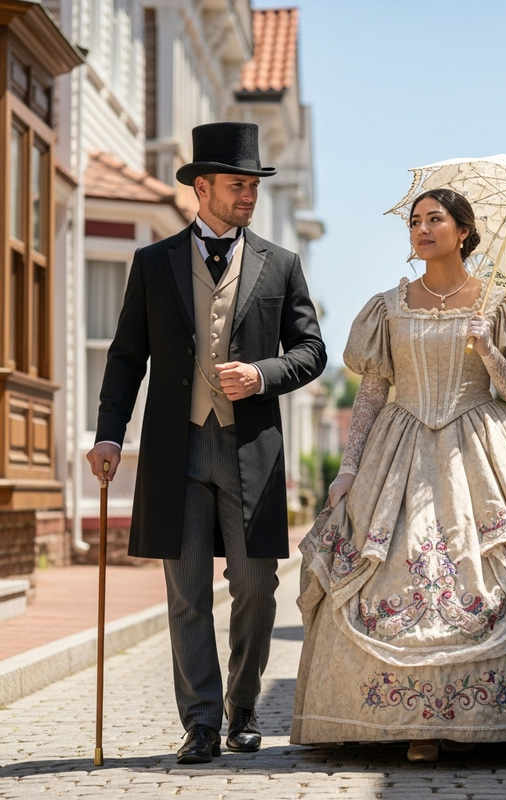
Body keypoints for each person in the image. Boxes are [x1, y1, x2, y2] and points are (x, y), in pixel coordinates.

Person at [291, 188, 506, 762]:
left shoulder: (499, 305)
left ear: (463, 231)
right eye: (416, 221)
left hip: (484, 448)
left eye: (436, 220)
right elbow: (373, 392)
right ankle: (413, 724)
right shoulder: (387, 305)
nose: (422, 230)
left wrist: (490, 350)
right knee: (395, 574)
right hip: (398, 454)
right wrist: (349, 468)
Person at [86, 122, 326, 764]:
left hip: (253, 449)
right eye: (237, 184)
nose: (248, 195)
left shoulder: (283, 263)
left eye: (252, 185)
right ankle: (198, 721)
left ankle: (242, 708)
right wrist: (110, 433)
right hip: (176, 450)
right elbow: (125, 356)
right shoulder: (152, 262)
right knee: (186, 589)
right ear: (202, 187)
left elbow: (312, 352)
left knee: (255, 586)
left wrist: (261, 374)